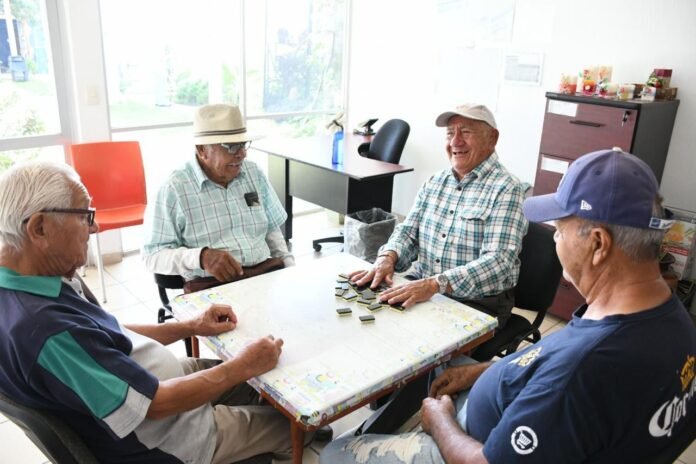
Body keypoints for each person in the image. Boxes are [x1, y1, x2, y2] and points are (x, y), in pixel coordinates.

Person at [321, 148, 696, 463]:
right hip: (509, 409)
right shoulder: (673, 322)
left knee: (335, 453)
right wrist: (482, 371)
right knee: (440, 367)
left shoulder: (579, 371)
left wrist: (439, 423)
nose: (555, 241)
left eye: (559, 230)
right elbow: (551, 369)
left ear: (598, 244)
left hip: (470, 445)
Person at [0, 162, 298, 463]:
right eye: (84, 216)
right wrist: (240, 367)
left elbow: (105, 333)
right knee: (295, 427)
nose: (94, 227)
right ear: (39, 228)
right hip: (170, 436)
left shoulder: (28, 279)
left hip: (154, 383)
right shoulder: (46, 332)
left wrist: (191, 326)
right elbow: (156, 404)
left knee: (265, 383)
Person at [351, 103, 527, 330]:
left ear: (492, 138)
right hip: (426, 286)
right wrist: (388, 257)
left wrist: (435, 285)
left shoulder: (508, 189)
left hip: (478, 301)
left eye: (466, 132)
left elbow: (499, 262)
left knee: (417, 341)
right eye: (450, 133)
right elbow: (408, 232)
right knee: (372, 319)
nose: (455, 142)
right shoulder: (436, 181)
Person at [142, 103, 293, 286]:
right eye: (231, 146)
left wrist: (289, 266)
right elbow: (152, 256)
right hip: (213, 286)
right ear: (202, 150)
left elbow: (271, 228)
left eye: (243, 145)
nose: (242, 154)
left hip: (262, 275)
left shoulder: (254, 173)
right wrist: (201, 257)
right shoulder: (175, 189)